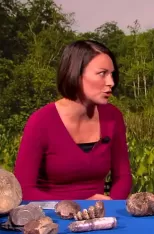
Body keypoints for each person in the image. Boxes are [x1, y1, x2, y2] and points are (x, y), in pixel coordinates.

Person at [14, 40, 132, 200]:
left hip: (99, 216)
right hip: (51, 219)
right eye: (102, 73)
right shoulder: (41, 122)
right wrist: (77, 207)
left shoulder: (113, 117)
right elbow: (24, 189)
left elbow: (123, 177)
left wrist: (111, 205)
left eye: (112, 74)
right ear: (76, 74)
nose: (111, 82)